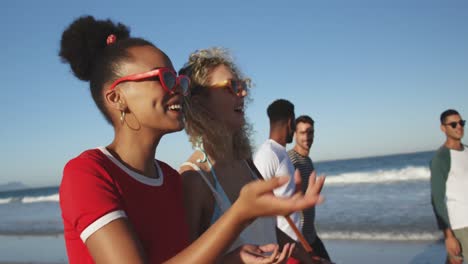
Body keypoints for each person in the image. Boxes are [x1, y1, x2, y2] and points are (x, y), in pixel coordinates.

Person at [58, 16, 325, 264]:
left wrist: (234, 258)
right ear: (117, 98)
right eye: (164, 78)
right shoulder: (88, 173)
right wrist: (238, 214)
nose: (177, 89)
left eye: (178, 80)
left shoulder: (169, 178)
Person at [253, 99, 302, 242]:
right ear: (290, 122)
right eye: (294, 124)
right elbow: (260, 206)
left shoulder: (280, 153)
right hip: (282, 248)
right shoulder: (268, 154)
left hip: (293, 245)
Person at [287, 116, 331, 261]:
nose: (307, 136)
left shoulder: (308, 161)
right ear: (294, 134)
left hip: (311, 234)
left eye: (310, 132)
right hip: (301, 240)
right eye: (302, 132)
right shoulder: (291, 161)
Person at [430, 109, 468, 264]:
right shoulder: (441, 158)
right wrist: (449, 236)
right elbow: (437, 199)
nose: (459, 126)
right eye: (453, 124)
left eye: (461, 122)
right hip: (461, 226)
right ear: (443, 128)